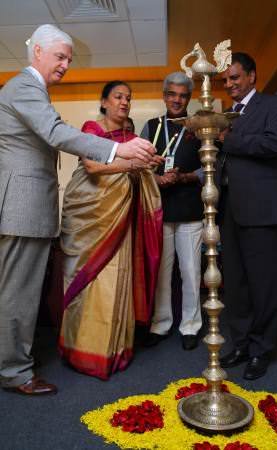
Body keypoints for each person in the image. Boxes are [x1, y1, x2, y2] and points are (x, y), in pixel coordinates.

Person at [0, 24, 156, 396]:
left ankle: (14, 363)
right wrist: (116, 149)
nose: (66, 64)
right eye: (60, 56)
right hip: (22, 207)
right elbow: (56, 132)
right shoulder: (24, 86)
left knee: (19, 293)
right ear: (37, 52)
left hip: (30, 208)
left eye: (69, 58)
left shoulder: (32, 90)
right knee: (17, 295)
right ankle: (14, 373)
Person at [59, 81, 163, 380]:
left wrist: (147, 165)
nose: (124, 102)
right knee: (90, 285)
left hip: (121, 221)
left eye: (128, 98)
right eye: (118, 97)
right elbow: (92, 166)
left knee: (118, 282)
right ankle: (82, 351)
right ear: (104, 101)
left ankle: (115, 349)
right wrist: (132, 163)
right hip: (91, 223)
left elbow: (135, 171)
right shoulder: (91, 128)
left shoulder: (131, 138)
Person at [216, 52, 277, 380]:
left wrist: (228, 140)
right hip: (229, 210)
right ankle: (242, 344)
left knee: (264, 286)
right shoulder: (225, 115)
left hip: (262, 211)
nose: (229, 84)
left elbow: (274, 144)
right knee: (235, 285)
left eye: (234, 78)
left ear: (251, 76)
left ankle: (262, 350)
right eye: (226, 80)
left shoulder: (275, 106)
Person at [142, 72, 203, 351]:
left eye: (183, 95)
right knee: (162, 272)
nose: (177, 100)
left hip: (190, 209)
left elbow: (212, 169)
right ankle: (161, 324)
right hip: (159, 210)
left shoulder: (199, 127)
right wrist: (157, 179)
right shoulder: (151, 125)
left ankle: (190, 326)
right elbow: (140, 168)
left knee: (190, 272)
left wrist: (185, 177)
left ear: (189, 98)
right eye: (172, 94)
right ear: (165, 96)